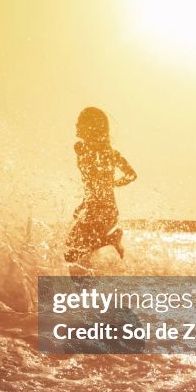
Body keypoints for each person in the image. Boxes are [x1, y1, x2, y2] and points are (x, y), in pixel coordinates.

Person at [64, 107, 137, 275]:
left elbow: (132, 175)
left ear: (90, 126)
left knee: (73, 251)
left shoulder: (102, 151)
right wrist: (84, 202)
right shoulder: (90, 150)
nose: (76, 125)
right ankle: (108, 241)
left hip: (100, 210)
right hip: (99, 208)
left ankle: (85, 293)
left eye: (80, 122)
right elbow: (95, 182)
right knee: (78, 251)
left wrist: (111, 184)